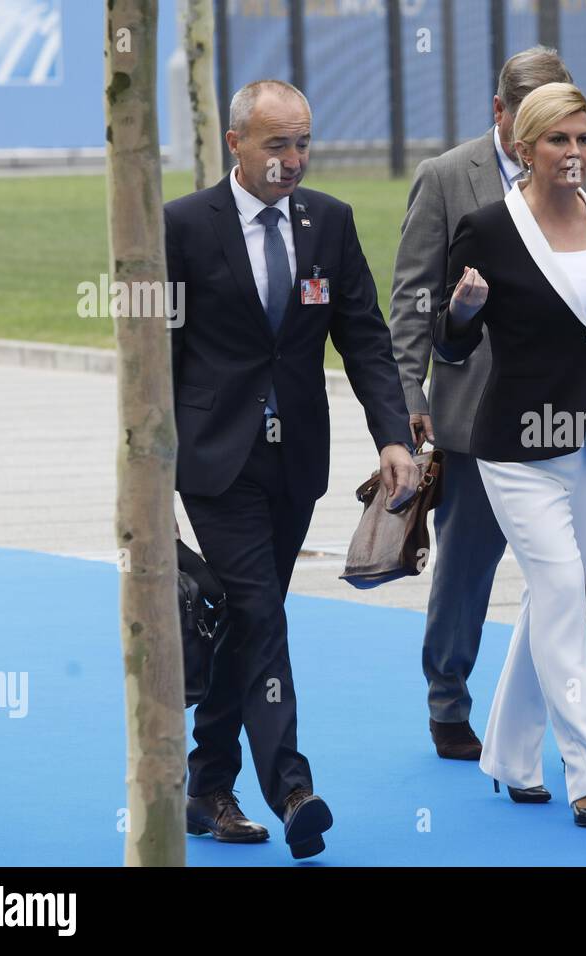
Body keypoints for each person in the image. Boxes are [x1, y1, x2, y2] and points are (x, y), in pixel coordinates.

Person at [166, 79, 419, 858]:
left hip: (295, 461)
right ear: (236, 143)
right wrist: (151, 462)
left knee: (247, 621)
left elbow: (366, 338)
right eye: (277, 144)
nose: (293, 160)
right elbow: (154, 356)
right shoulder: (181, 226)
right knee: (263, 617)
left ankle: (206, 785)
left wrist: (392, 437)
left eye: (303, 142)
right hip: (215, 462)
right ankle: (291, 787)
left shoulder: (330, 223)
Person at [389, 46, 586, 768]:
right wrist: (407, 396)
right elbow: (416, 294)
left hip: (584, 415)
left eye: (573, 123)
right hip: (485, 416)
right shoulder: (449, 178)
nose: (566, 141)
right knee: (469, 565)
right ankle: (448, 700)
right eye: (545, 121)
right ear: (504, 117)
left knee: (575, 575)